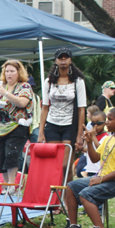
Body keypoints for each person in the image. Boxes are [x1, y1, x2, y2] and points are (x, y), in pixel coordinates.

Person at [54, 106, 115, 228]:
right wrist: (90, 142)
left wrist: (101, 179)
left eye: (110, 119)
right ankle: (74, 226)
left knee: (85, 194)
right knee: (71, 186)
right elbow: (96, 158)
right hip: (103, 178)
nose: (106, 122)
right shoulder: (109, 139)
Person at [38, 47, 87, 181]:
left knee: (66, 165)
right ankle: (54, 197)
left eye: (66, 57)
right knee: (54, 164)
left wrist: (79, 135)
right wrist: (41, 131)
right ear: (56, 60)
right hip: (52, 123)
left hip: (69, 125)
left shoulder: (78, 82)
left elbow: (81, 109)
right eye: (60, 57)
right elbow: (45, 107)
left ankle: (67, 197)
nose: (63, 60)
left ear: (70, 60)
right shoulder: (49, 82)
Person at [0, 59, 33, 190]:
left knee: (11, 154)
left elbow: (22, 103)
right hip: (0, 127)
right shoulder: (1, 86)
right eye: (7, 71)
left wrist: (6, 94)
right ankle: (5, 185)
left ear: (18, 73)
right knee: (1, 155)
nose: (9, 74)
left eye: (12, 71)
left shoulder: (24, 87)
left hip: (17, 126)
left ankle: (12, 185)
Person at [79, 109, 108, 177]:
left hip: (99, 169)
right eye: (93, 124)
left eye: (98, 123)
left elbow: (100, 149)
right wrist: (81, 147)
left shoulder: (106, 137)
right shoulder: (92, 135)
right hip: (90, 168)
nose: (95, 126)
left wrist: (93, 137)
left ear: (104, 123)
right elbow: (87, 149)